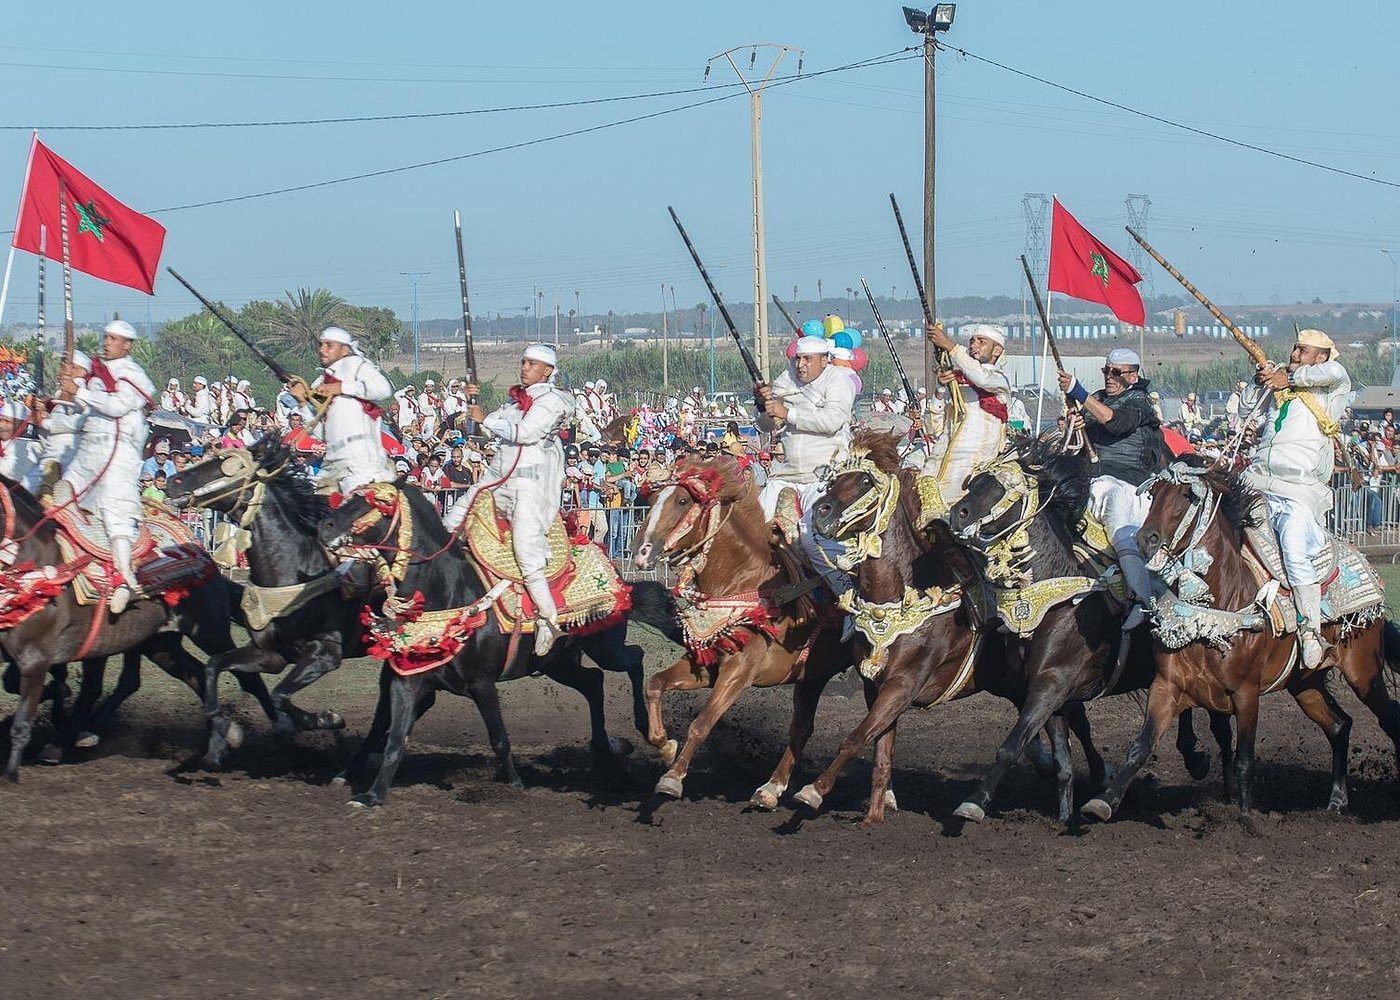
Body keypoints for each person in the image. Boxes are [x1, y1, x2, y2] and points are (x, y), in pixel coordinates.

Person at [443, 345, 574, 655]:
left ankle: (548, 620)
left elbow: (526, 433)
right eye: (523, 362)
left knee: (526, 550)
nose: (524, 367)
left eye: (531, 363)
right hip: (495, 478)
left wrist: (486, 418)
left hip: (529, 485)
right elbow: (484, 431)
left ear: (547, 371)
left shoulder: (553, 401)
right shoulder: (514, 402)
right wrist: (472, 406)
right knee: (450, 521)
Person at [1242, 328, 1352, 668]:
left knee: (1293, 546)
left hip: (1299, 489)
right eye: (1294, 348)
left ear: (1320, 356)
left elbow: (1336, 372)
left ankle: (1310, 631)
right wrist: (1260, 379)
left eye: (1302, 350)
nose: (1294, 353)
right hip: (1256, 480)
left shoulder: (1332, 387)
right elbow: (1246, 407)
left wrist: (1287, 376)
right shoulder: (1280, 386)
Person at [1058, 347, 1167, 629]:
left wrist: (1079, 392)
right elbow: (1084, 432)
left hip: (1128, 486)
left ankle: (1142, 600)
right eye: (1106, 370)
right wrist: (1076, 423)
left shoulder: (1140, 402)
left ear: (1133, 376)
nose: (1109, 376)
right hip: (1092, 479)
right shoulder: (1097, 399)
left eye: (1116, 372)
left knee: (1119, 525)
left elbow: (1116, 422)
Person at [58, 319, 156, 613]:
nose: (106, 343)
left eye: (113, 339)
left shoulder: (132, 373)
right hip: (89, 451)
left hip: (118, 453)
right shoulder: (97, 373)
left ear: (127, 345)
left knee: (116, 514)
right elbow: (86, 407)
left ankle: (125, 578)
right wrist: (69, 387)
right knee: (59, 494)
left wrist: (79, 391)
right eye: (105, 337)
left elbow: (116, 406)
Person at [756, 334, 856, 605]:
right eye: (798, 359)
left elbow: (832, 421)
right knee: (753, 529)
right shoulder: (786, 378)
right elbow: (766, 426)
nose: (800, 365)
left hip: (824, 475)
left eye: (807, 359)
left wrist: (787, 413)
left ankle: (847, 598)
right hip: (786, 474)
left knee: (813, 541)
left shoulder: (839, 380)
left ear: (824, 360)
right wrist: (763, 406)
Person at [288, 327, 395, 493]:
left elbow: (383, 389)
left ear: (344, 349)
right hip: (332, 464)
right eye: (321, 345)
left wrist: (342, 387)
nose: (322, 349)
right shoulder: (320, 383)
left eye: (329, 345)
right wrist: (302, 404)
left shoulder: (357, 366)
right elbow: (322, 434)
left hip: (361, 463)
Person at [923, 323, 1011, 499]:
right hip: (939, 470)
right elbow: (933, 430)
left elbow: (982, 378)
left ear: (996, 351)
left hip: (975, 475)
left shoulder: (999, 381)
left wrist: (951, 346)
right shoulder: (957, 385)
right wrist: (940, 389)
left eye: (981, 341)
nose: (973, 345)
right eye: (972, 341)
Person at [0, 398, 45, 493]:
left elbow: (10, 472)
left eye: (7, 421)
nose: (1, 425)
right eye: (0, 420)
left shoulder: (29, 447)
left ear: (22, 425)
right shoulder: (7, 440)